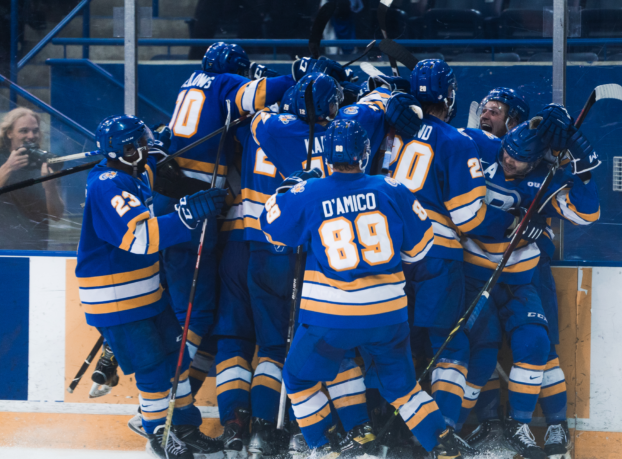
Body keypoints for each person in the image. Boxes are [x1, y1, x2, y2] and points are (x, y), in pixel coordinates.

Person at [260, 119, 463, 459]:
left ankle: (324, 448)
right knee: (402, 388)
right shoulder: (392, 188)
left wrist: (290, 187)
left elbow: (271, 228)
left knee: (297, 379)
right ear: (365, 154)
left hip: (330, 318)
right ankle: (443, 444)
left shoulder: (310, 192)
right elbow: (420, 249)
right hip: (388, 316)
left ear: (326, 155)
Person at [75, 114, 229, 459]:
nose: (145, 149)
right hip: (117, 298)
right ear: (125, 150)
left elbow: (153, 165)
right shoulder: (107, 185)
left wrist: (158, 143)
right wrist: (185, 216)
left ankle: (184, 427)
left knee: (176, 361)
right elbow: (140, 237)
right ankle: (159, 435)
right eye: (138, 145)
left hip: (145, 294)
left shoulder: (133, 171)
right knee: (153, 369)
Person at [155, 42, 298, 403]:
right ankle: (158, 405)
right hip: (198, 206)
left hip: (170, 197)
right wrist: (295, 75)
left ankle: (165, 402)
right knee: (198, 313)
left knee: (195, 309)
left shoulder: (191, 82)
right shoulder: (226, 87)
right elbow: (256, 95)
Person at [386, 60, 515, 450]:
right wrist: (505, 221)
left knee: (397, 344)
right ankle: (439, 434)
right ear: (450, 96)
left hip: (390, 255)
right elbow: (468, 216)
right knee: (451, 345)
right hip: (436, 254)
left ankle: (390, 430)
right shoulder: (457, 141)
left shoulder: (393, 134)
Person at [461, 113, 600, 459]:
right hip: (471, 279)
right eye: (507, 152)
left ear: (536, 159)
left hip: (519, 280)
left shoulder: (546, 177)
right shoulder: (478, 146)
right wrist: (514, 223)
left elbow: (587, 213)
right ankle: (448, 430)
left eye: (518, 158)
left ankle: (518, 423)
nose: (508, 160)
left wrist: (581, 160)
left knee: (537, 344)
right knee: (478, 357)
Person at [0, 107, 64, 250]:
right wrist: (8, 167)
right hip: (2, 250)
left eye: (35, 130)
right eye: (24, 130)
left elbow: (56, 215)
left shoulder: (44, 163)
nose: (31, 135)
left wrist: (50, 187)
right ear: (9, 133)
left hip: (37, 251)